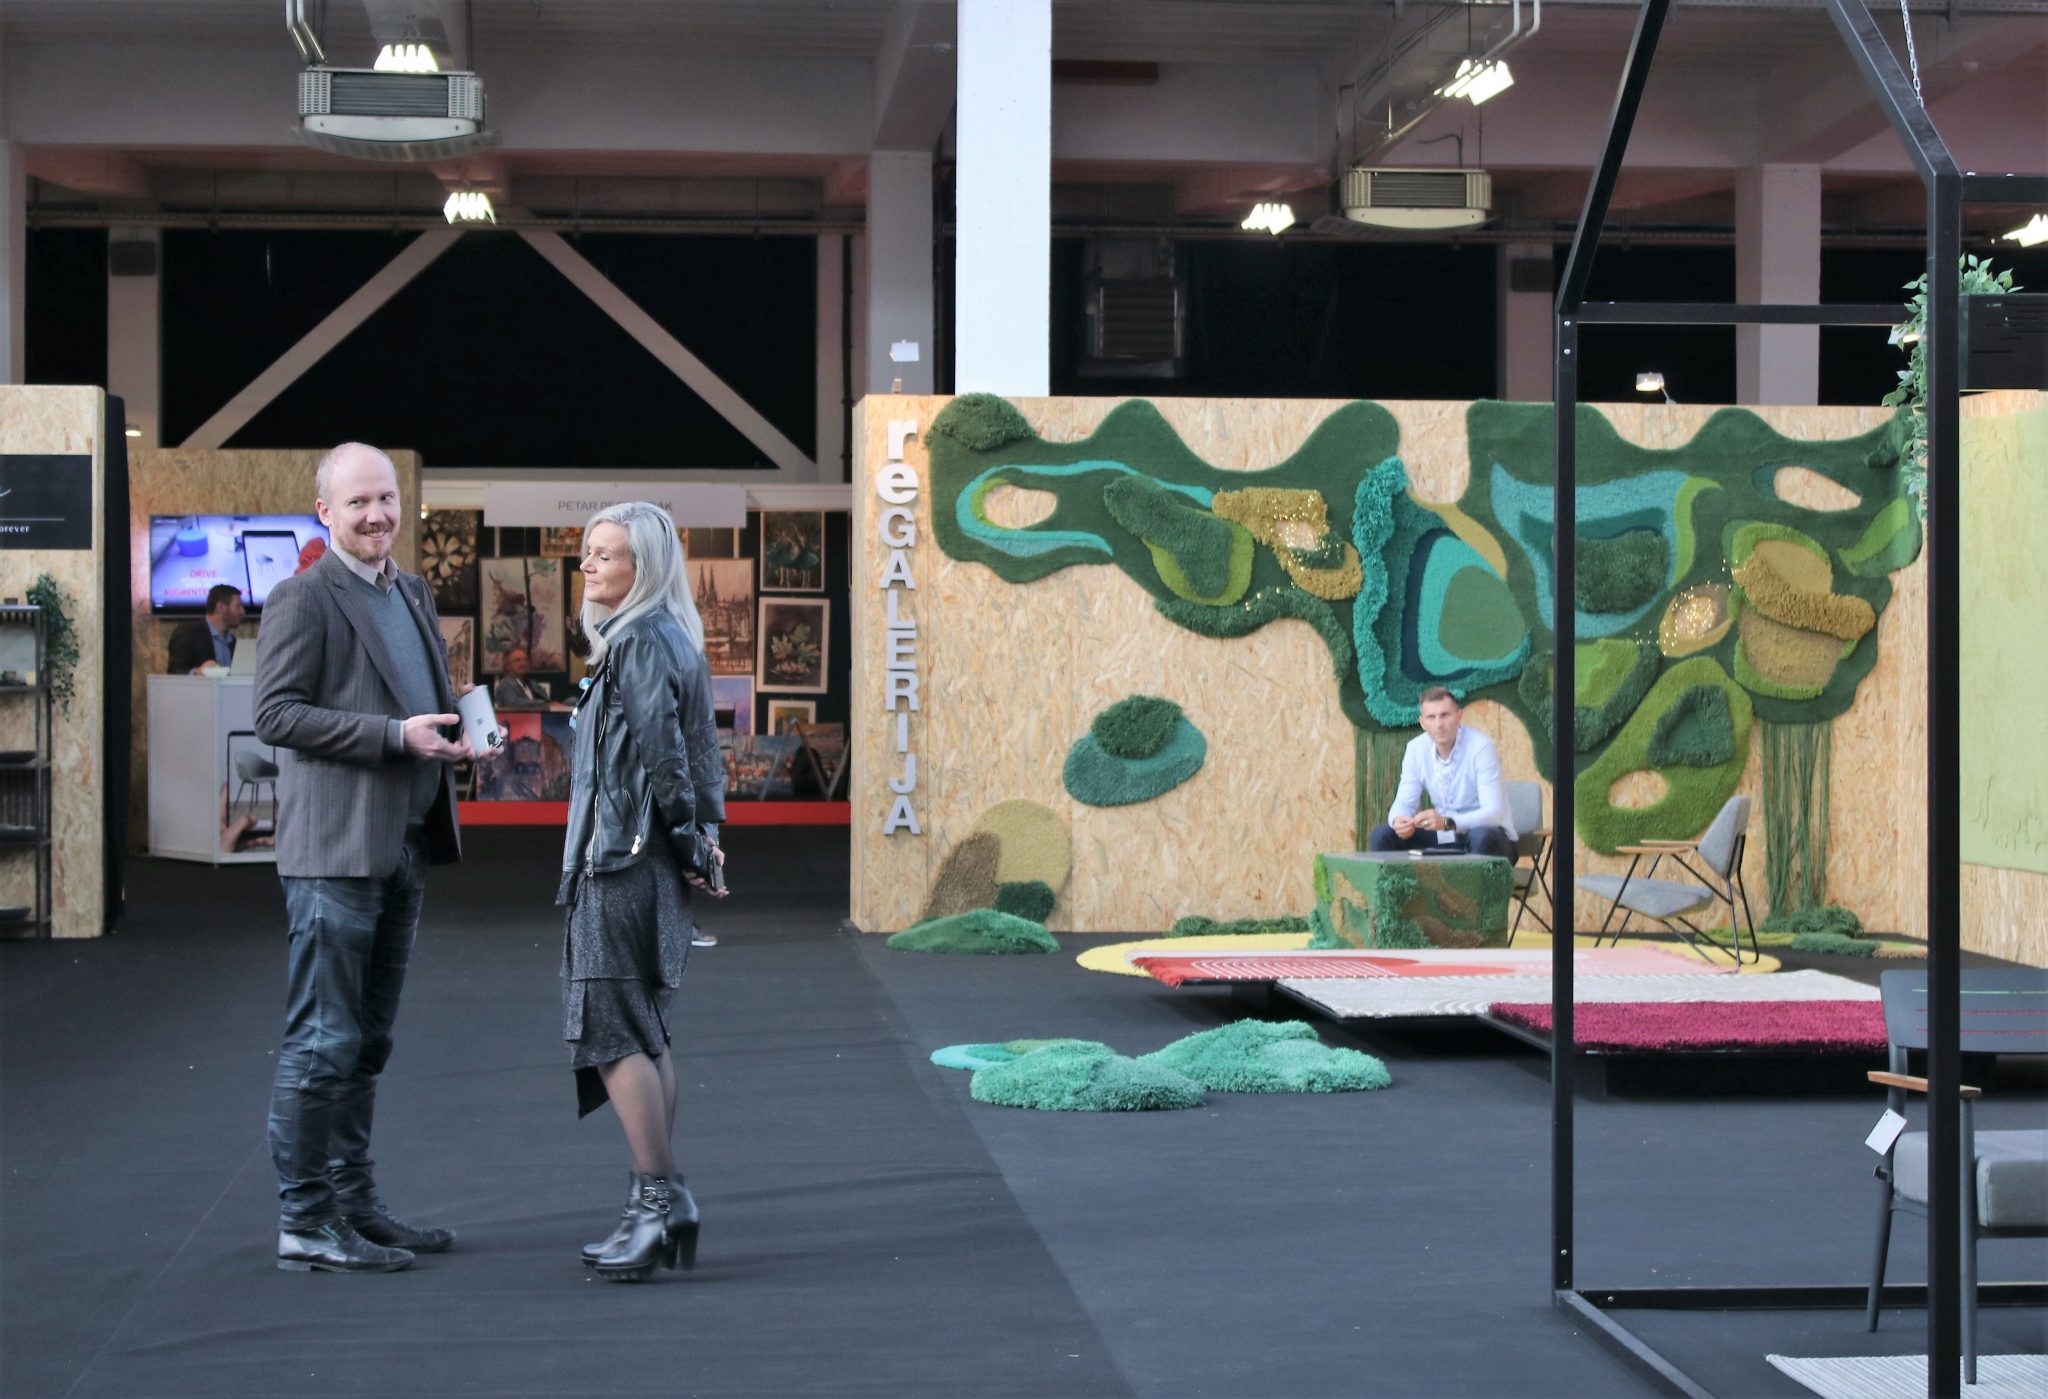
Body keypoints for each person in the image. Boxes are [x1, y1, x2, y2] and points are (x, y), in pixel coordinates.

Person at [254, 442, 473, 1275]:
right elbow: (276, 714)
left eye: (385, 498)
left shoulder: (409, 590)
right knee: (322, 1041)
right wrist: (392, 736)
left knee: (368, 1040)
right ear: (325, 512)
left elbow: (412, 700)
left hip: (401, 846)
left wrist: (453, 729)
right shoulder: (303, 597)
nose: (377, 514)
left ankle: (353, 1201)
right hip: (334, 856)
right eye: (357, 502)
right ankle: (306, 1219)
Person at [559, 500, 726, 1282]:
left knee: (615, 1028)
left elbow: (667, 757)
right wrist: (701, 840)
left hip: (622, 862)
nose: (588, 564)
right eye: (588, 551)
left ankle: (657, 1202)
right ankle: (660, 1199)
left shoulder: (637, 642)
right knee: (644, 1027)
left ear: (644, 567)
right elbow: (701, 752)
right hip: (643, 858)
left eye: (605, 553)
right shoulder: (667, 636)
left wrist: (693, 842)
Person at [1368, 687, 1517, 860]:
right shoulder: (1415, 749)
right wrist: (1398, 820)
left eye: (1445, 715)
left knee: (1482, 836)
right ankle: (1399, 879)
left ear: (1459, 716)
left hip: (1488, 835)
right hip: (1443, 836)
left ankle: (1475, 879)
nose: (1439, 724)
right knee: (1381, 835)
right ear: (1422, 722)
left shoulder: (1481, 747)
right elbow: (1404, 802)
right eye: (1431, 717)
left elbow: (1494, 814)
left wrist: (1448, 822)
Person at [167, 583, 245, 674]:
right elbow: (174, 672)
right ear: (221, 607)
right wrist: (197, 672)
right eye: (238, 606)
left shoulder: (232, 641)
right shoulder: (187, 634)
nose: (242, 611)